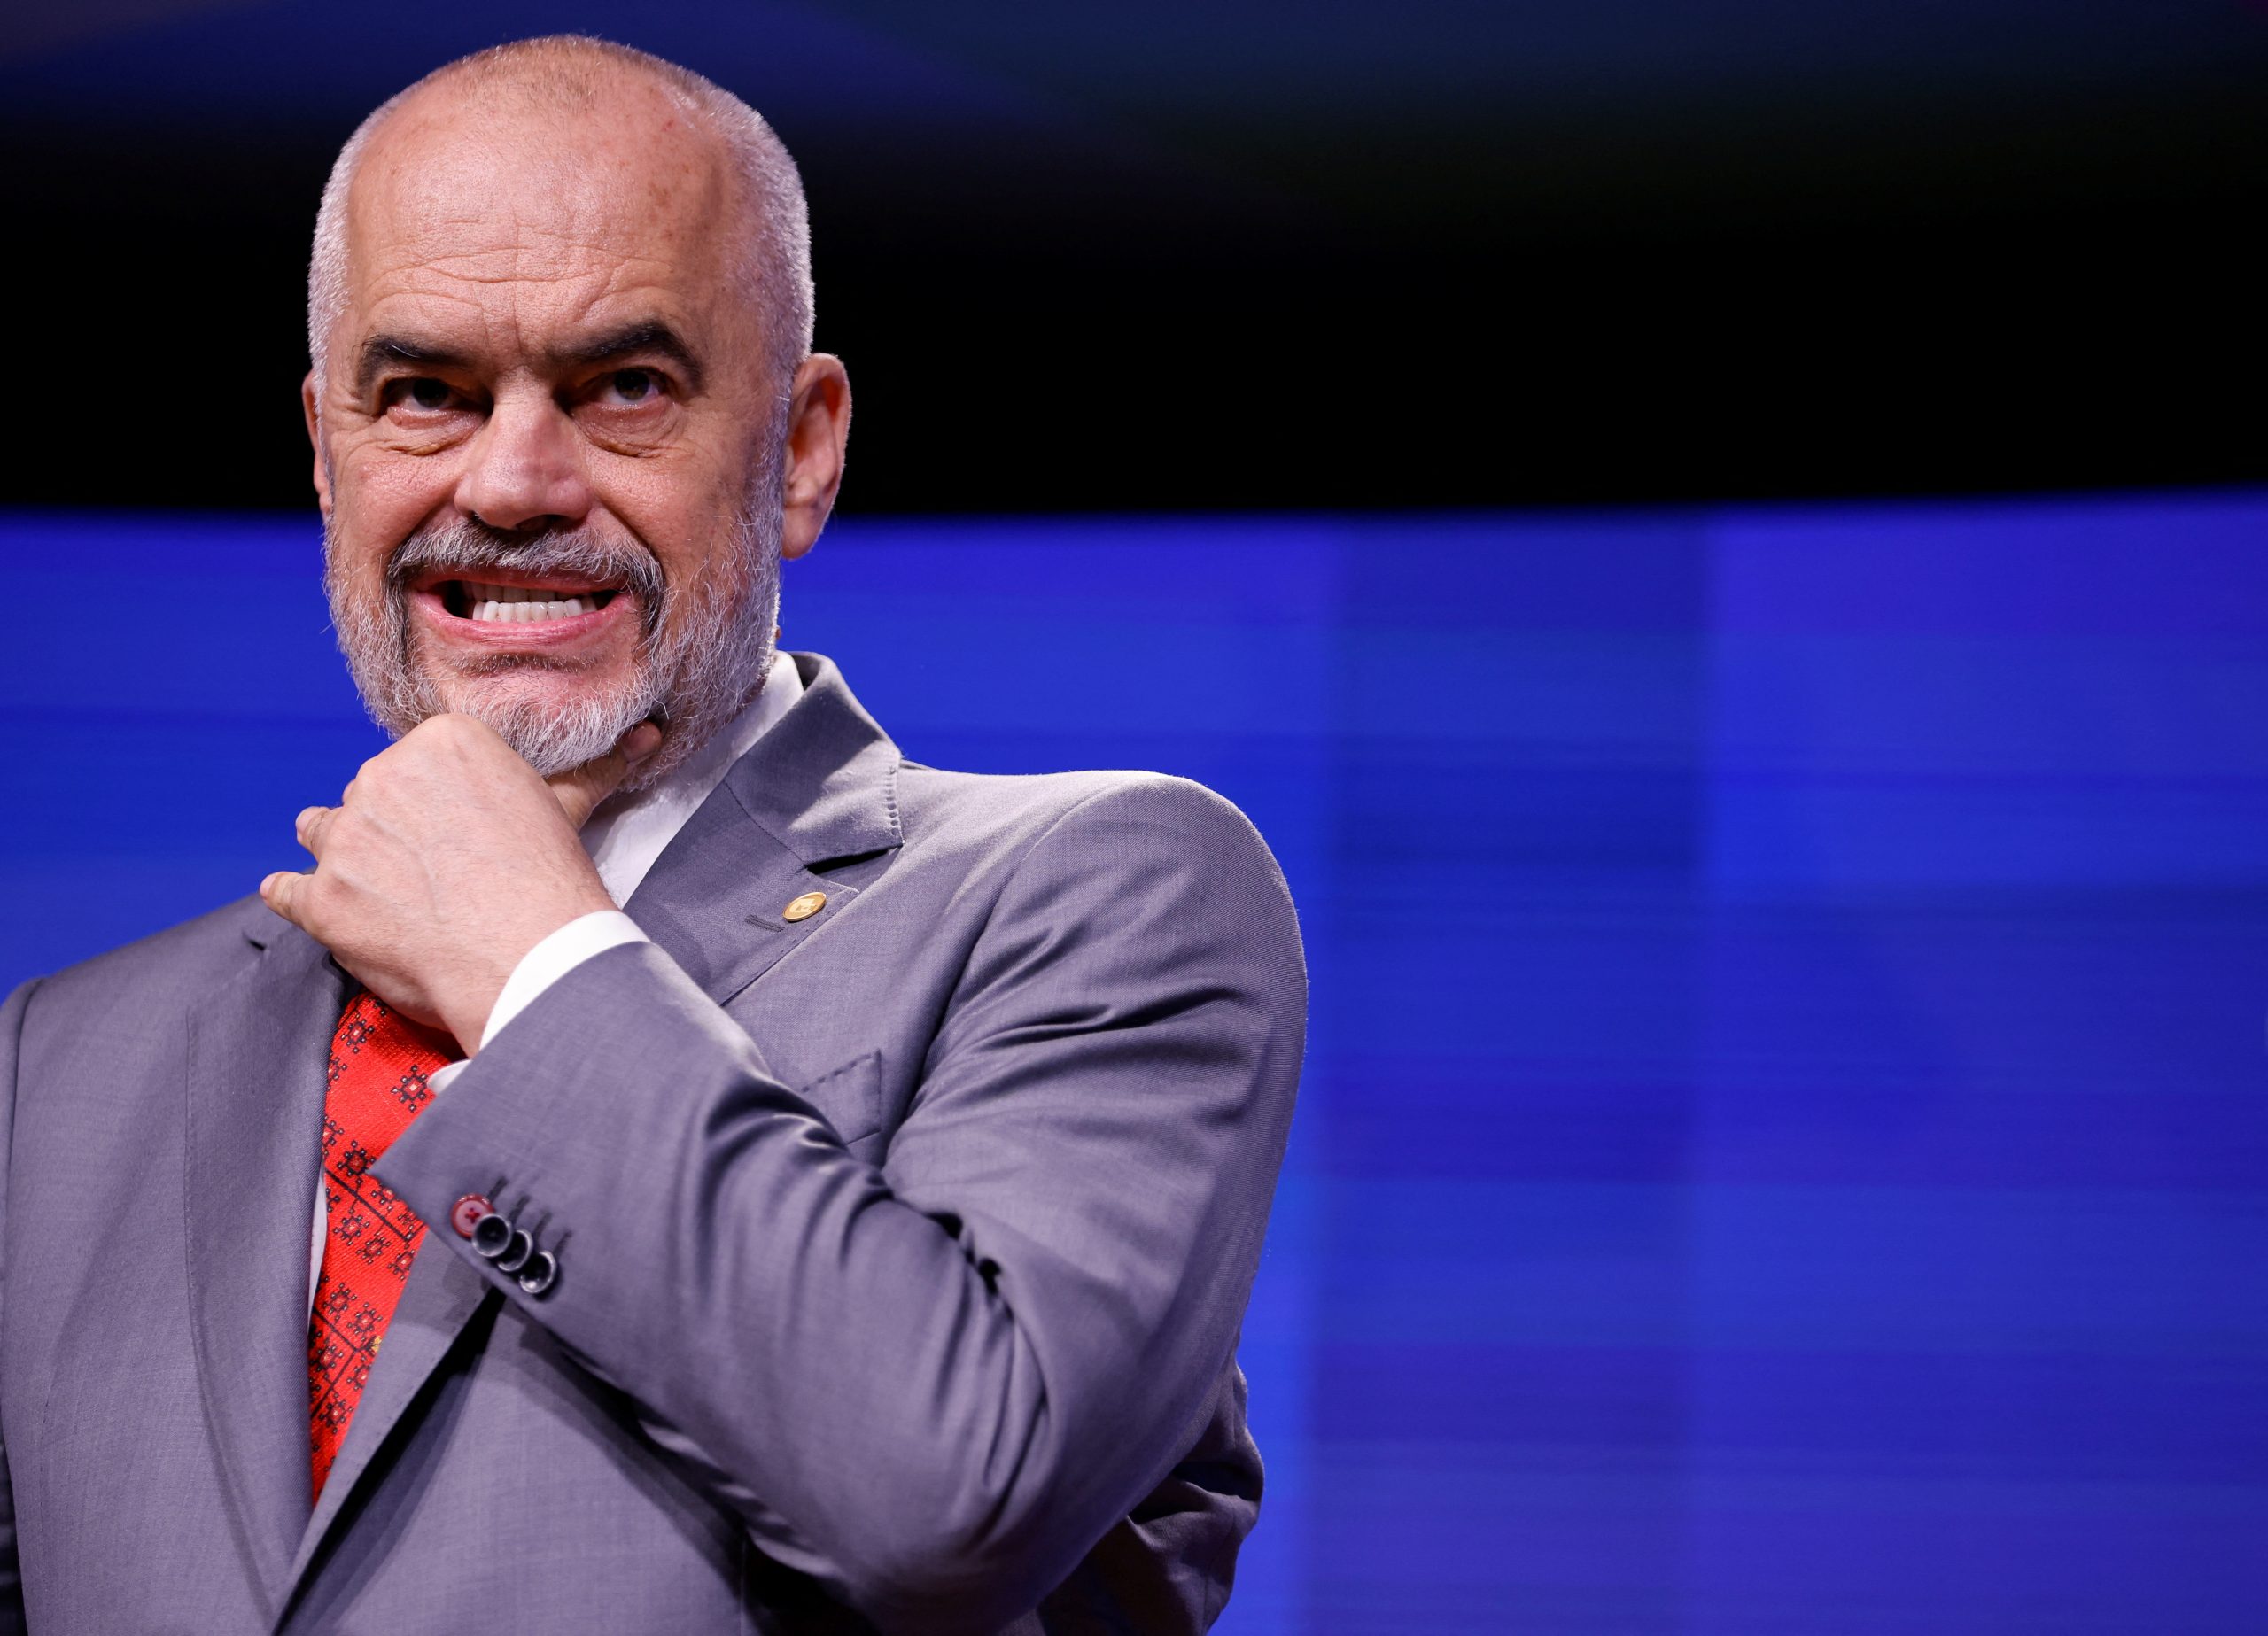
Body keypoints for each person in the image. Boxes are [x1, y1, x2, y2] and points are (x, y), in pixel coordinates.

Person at [0, 35, 1302, 1634]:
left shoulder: (1104, 899)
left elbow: (954, 1497)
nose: (516, 480)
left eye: (625, 387)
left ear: (804, 447)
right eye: (426, 394)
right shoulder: (59, 1064)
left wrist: (539, 965)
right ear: (326, 452)